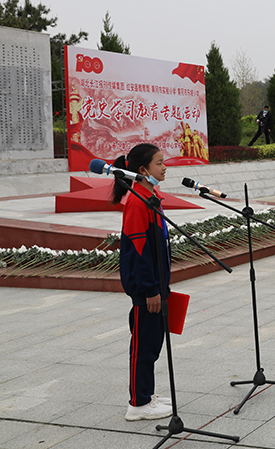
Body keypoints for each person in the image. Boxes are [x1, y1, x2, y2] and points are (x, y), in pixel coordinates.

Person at [110, 144, 174, 421]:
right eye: (159, 163)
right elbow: (139, 252)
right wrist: (150, 289)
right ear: (142, 170)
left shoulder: (150, 197)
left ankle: (146, 394)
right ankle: (138, 404)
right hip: (147, 290)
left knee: (152, 343)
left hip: (157, 285)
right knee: (143, 346)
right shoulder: (137, 202)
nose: (164, 167)